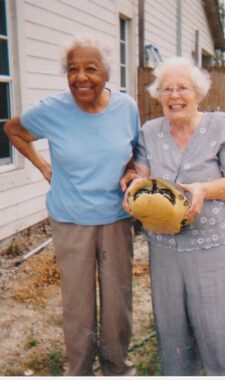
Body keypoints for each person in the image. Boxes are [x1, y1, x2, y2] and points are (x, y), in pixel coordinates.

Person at [4, 35, 140, 376]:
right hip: (71, 220)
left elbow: (136, 152)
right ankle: (79, 370)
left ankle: (116, 367)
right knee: (78, 304)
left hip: (116, 218)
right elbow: (13, 130)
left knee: (117, 302)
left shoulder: (126, 108)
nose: (81, 77)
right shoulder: (51, 110)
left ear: (107, 73)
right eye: (73, 69)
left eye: (91, 69)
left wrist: (134, 171)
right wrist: (43, 166)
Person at [121, 57, 225, 376]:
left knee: (222, 333)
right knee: (174, 334)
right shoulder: (150, 131)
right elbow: (141, 174)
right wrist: (133, 186)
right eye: (167, 89)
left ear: (197, 92)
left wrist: (204, 190)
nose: (174, 95)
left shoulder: (221, 125)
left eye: (182, 88)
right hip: (165, 250)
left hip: (216, 248)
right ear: (158, 94)